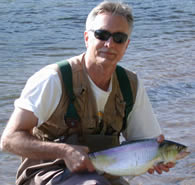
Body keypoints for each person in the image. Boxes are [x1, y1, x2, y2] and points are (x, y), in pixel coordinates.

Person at [1, 1, 175, 185]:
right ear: (86, 38)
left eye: (119, 38)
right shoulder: (52, 79)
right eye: (102, 35)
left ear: (127, 45)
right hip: (47, 174)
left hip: (104, 174)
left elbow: (145, 142)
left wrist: (154, 158)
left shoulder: (130, 85)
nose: (109, 44)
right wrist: (64, 151)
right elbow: (9, 140)